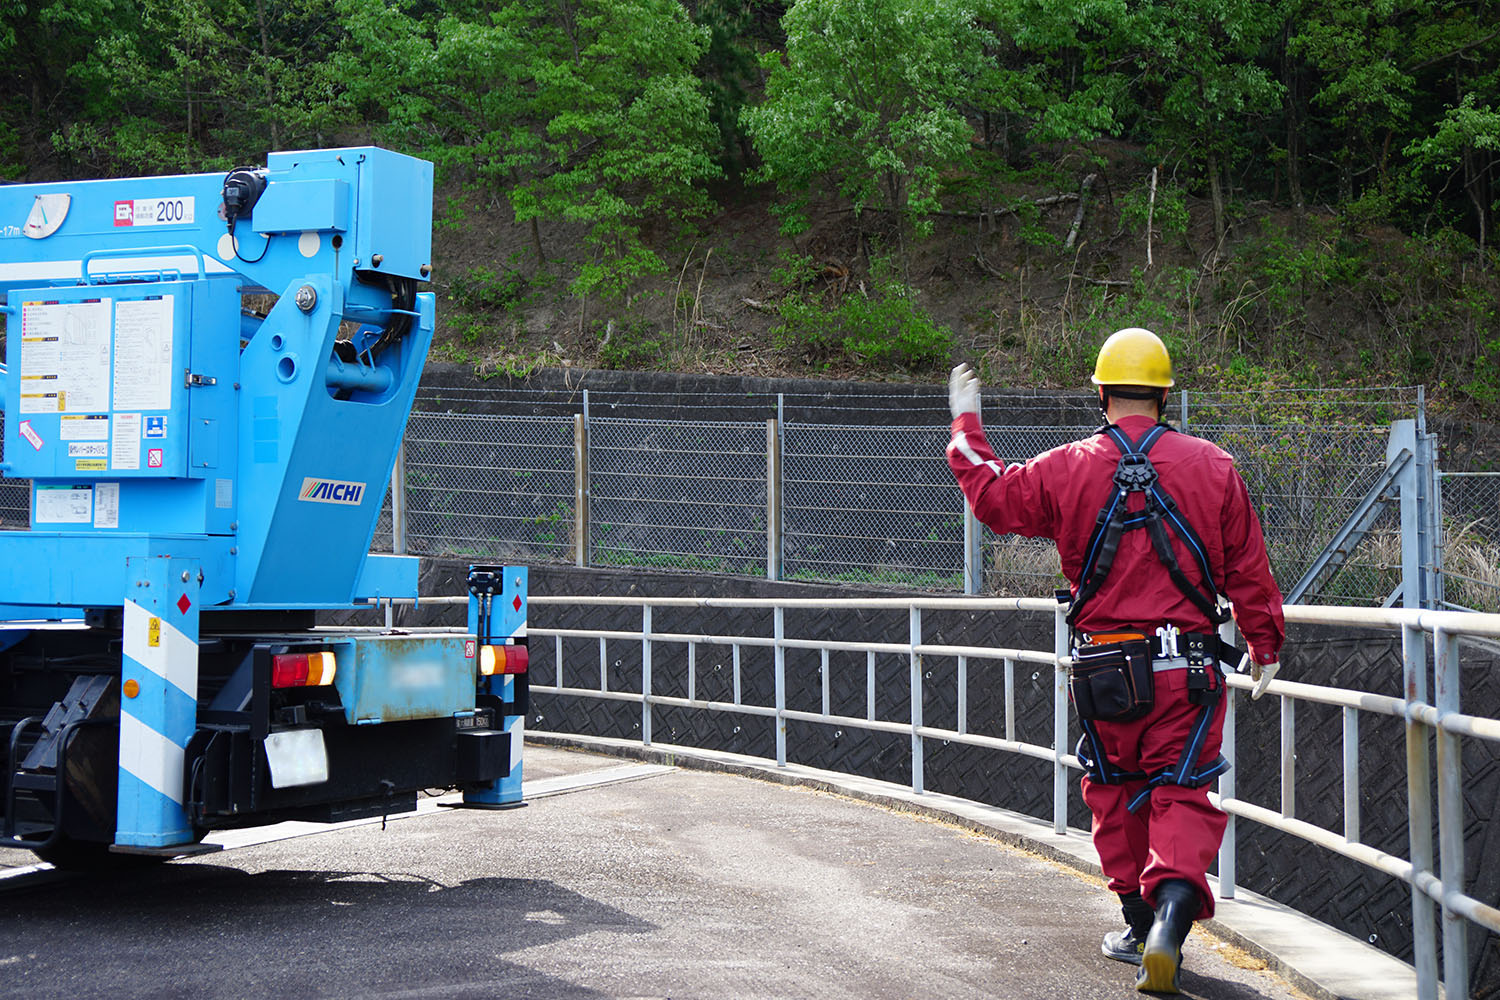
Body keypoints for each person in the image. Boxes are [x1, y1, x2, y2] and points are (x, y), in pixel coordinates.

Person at [945, 328, 1284, 994]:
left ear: (1100, 392)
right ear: (1165, 394)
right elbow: (1246, 566)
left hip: (1102, 670)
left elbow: (995, 499)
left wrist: (966, 424)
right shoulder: (1213, 466)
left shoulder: (1065, 465)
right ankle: (1172, 919)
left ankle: (1135, 921)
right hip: (1187, 670)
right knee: (1181, 791)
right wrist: (1264, 644)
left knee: (1114, 791)